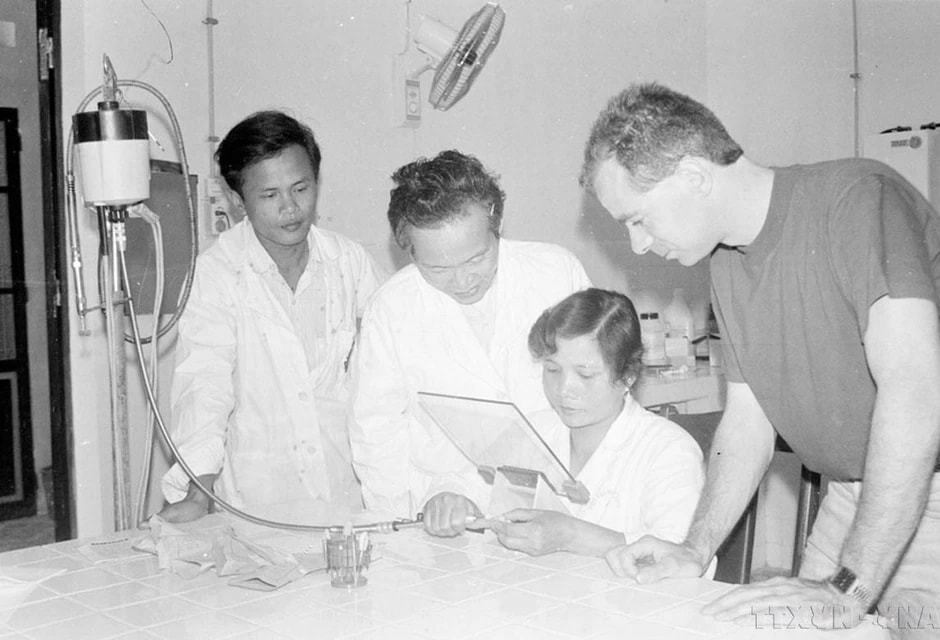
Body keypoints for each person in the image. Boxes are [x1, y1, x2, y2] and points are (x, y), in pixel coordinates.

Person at [579, 82, 940, 637]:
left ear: (693, 175)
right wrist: (694, 547)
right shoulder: (727, 265)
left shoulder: (858, 198)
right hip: (853, 498)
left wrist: (846, 589)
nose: (638, 245)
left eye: (638, 219)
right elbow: (748, 421)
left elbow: (917, 395)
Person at [349, 150, 592, 536]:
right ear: (407, 251)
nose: (463, 282)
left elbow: (596, 399)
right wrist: (411, 514)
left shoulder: (556, 273)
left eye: (477, 258)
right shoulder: (392, 308)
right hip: (444, 516)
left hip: (558, 507)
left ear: (497, 223)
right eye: (438, 268)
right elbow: (376, 433)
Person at [159, 110, 386, 522]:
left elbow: (395, 367)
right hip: (259, 499)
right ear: (236, 199)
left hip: (350, 492)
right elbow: (204, 387)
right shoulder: (216, 275)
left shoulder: (349, 262)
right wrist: (197, 491)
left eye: (301, 188)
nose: (291, 208)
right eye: (269, 195)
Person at [487, 288, 704, 557]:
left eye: (586, 374)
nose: (565, 389)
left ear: (627, 376)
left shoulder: (669, 449)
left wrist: (571, 535)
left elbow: (679, 555)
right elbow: (473, 485)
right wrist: (452, 497)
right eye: (552, 370)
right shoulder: (534, 432)